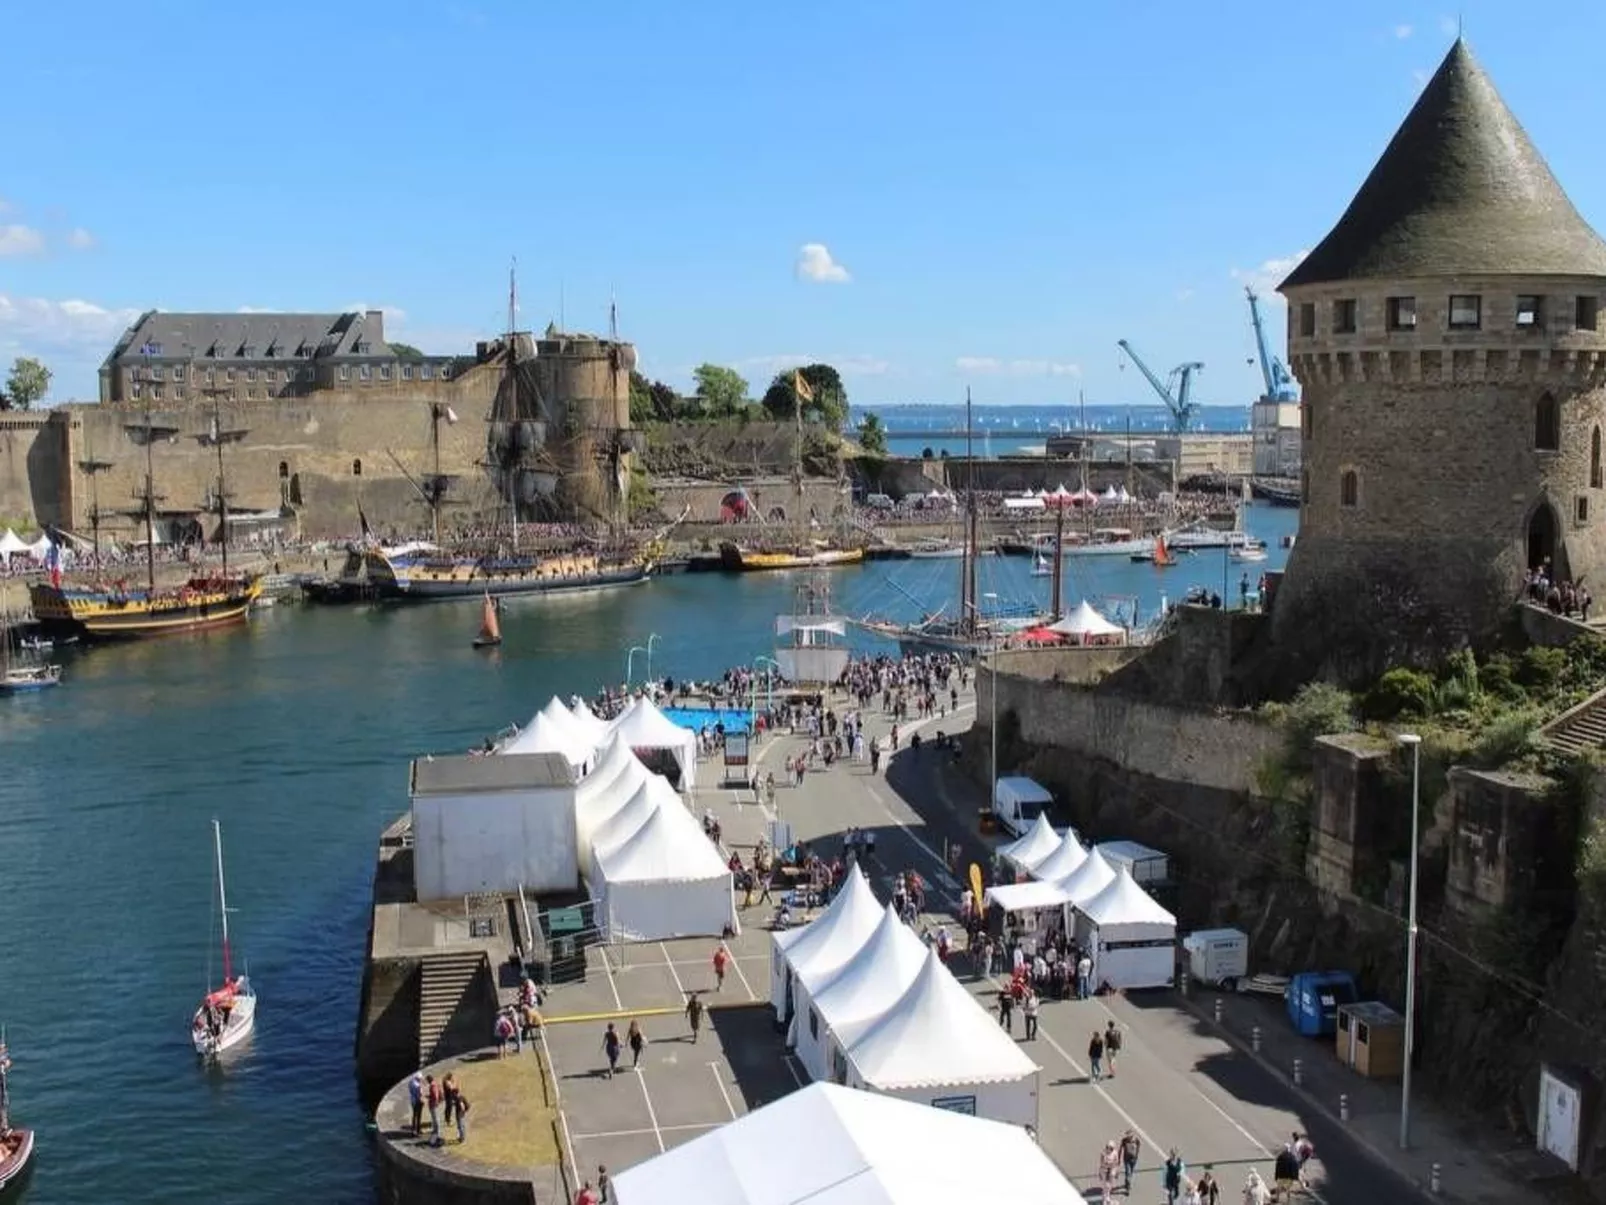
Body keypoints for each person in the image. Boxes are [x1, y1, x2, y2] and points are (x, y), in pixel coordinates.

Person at [407, 1070, 424, 1135]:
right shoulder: (417, 1085)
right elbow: (419, 1094)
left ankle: (414, 1129)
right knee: (418, 1115)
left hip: (413, 1100)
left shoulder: (411, 1082)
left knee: (415, 1115)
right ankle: (417, 1129)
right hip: (418, 1101)